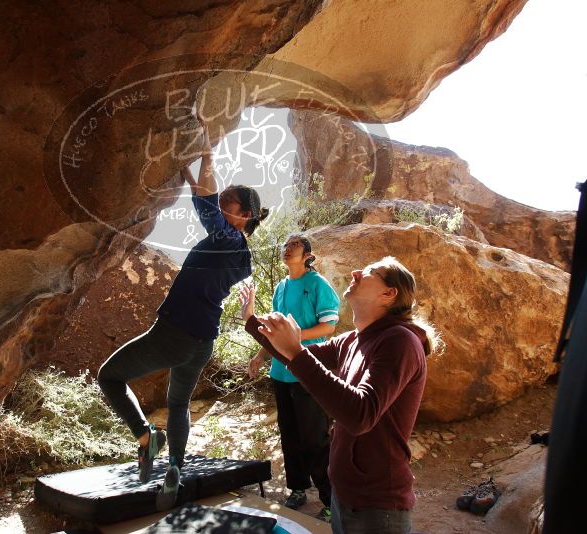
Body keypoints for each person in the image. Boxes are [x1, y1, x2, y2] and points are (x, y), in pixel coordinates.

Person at [97, 111, 269, 511]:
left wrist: (208, 155)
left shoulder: (229, 239)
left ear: (244, 215)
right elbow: (205, 205)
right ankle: (174, 466)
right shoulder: (238, 251)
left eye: (230, 201)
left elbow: (208, 210)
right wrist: (191, 176)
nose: (221, 202)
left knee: (109, 376)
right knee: (177, 404)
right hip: (201, 342)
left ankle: (145, 436)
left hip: (176, 335)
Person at [246, 257, 438, 534]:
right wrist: (252, 321)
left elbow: (360, 415)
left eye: (370, 271)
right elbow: (294, 358)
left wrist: (297, 351)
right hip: (344, 493)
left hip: (377, 506)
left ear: (388, 293)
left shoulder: (400, 341)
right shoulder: (353, 340)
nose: (356, 270)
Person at [241, 234, 339, 521]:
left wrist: (295, 338)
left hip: (308, 370)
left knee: (315, 438)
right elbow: (274, 330)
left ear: (308, 254)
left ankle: (331, 499)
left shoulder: (317, 285)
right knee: (290, 434)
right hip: (281, 372)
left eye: (293, 247)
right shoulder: (282, 287)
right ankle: (297, 488)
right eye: (284, 246)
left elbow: (328, 326)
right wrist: (261, 356)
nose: (287, 250)